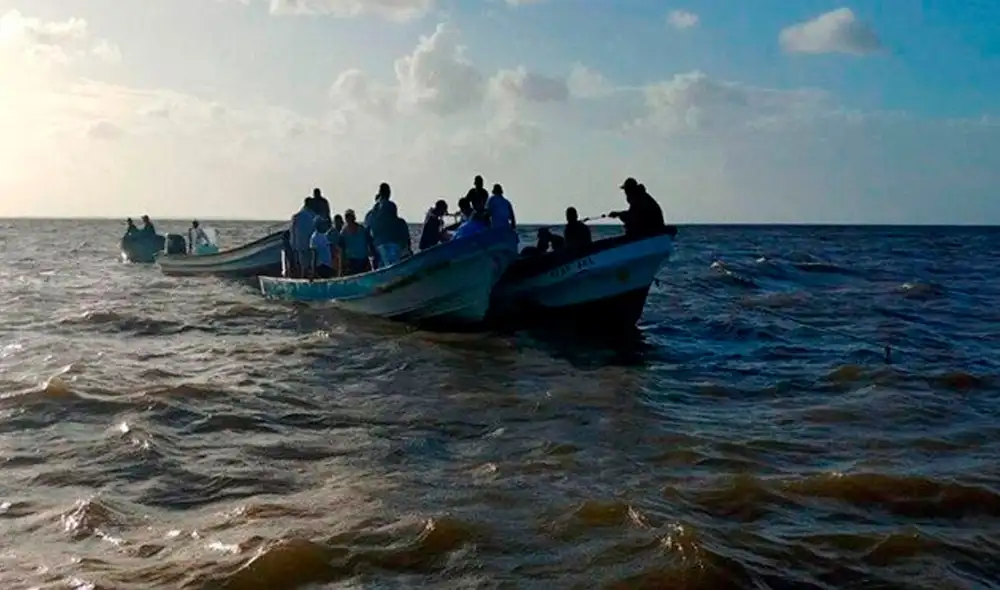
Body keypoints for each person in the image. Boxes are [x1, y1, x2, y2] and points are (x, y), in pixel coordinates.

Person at [366, 182, 402, 268]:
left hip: (379, 243)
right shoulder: (391, 206)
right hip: (391, 241)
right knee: (394, 266)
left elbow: (369, 227)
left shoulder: (373, 210)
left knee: (384, 265)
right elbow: (395, 223)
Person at [337, 209, 373, 276]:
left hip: (364, 260)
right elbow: (341, 251)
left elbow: (370, 243)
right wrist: (341, 269)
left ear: (354, 218)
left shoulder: (362, 229)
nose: (349, 219)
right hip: (352, 261)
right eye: (347, 217)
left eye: (351, 217)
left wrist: (372, 257)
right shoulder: (343, 233)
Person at [289, 197, 317, 278]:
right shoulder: (314, 216)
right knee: (309, 265)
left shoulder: (296, 216)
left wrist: (293, 245)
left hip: (300, 245)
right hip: (310, 245)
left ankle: (303, 278)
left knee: (302, 265)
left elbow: (292, 232)